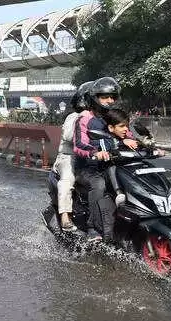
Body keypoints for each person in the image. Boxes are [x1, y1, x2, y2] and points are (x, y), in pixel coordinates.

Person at [72, 77, 138, 241]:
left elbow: (128, 135)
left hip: (111, 166)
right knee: (99, 184)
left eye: (112, 97)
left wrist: (141, 144)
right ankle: (93, 228)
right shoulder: (84, 119)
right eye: (104, 97)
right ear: (95, 98)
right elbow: (79, 144)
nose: (109, 100)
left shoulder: (113, 117)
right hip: (88, 169)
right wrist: (95, 153)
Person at [54, 81, 93, 232]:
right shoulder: (74, 116)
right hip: (69, 157)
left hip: (92, 158)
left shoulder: (102, 117)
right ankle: (65, 216)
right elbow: (70, 136)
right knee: (67, 179)